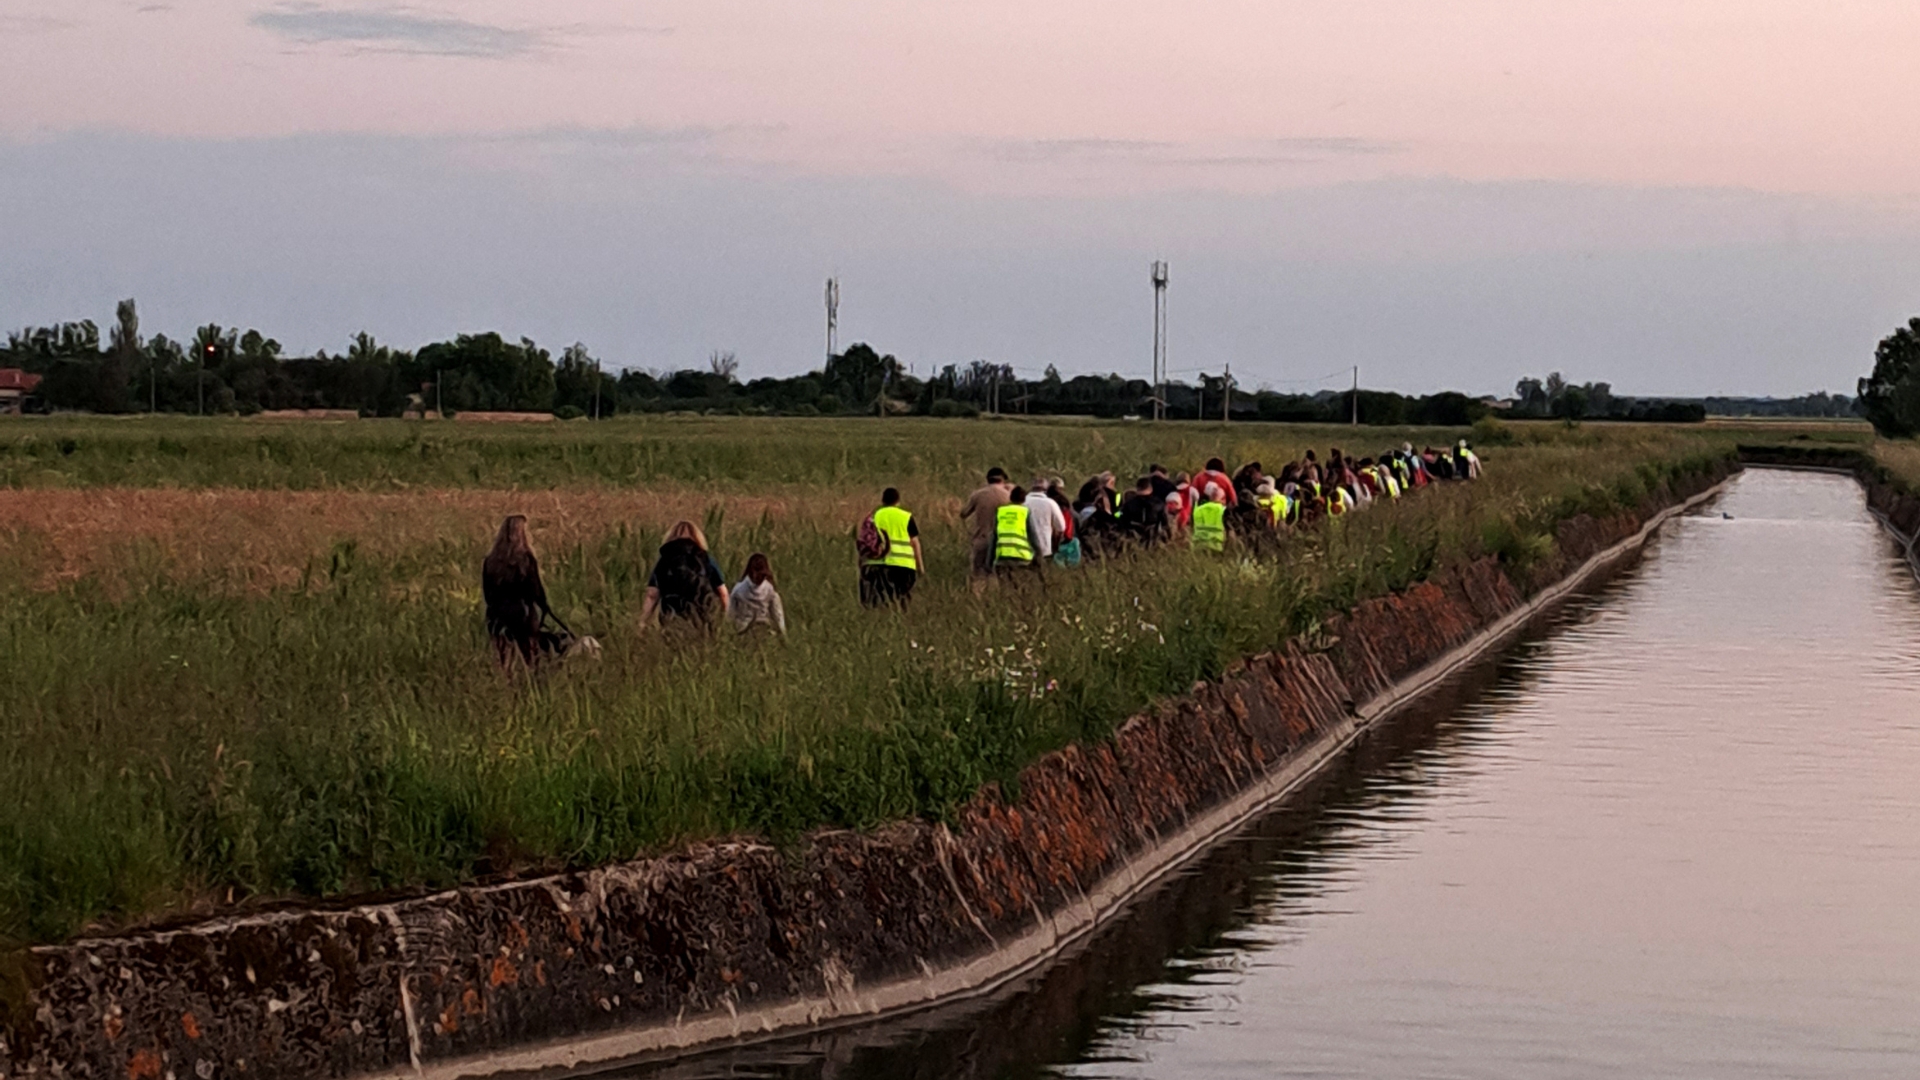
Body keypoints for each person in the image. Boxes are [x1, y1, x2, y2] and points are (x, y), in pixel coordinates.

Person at [483, 514, 578, 668]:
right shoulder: (525, 560)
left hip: (496, 616)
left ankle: (506, 683)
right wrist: (545, 606)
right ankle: (530, 682)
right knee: (529, 657)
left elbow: (487, 594)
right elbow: (535, 590)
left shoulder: (490, 561)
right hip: (521, 615)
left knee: (504, 658)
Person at [640, 520, 728, 630]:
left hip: (672, 617)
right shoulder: (705, 559)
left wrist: (643, 622)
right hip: (702, 618)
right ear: (697, 538)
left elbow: (652, 594)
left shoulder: (665, 560)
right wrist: (725, 619)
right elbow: (723, 593)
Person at [860, 487, 924, 607]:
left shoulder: (874, 516)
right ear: (898, 501)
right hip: (904, 566)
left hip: (878, 564)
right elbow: (915, 543)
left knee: (879, 602)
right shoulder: (906, 516)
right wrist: (920, 567)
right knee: (902, 602)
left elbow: (865, 540)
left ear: (882, 501)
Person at [960, 467, 1014, 586]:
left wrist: (970, 532)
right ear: (1003, 480)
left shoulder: (978, 494)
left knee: (979, 575)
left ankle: (977, 601)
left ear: (987, 480)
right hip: (1003, 541)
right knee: (1003, 576)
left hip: (982, 538)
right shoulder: (1008, 495)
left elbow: (963, 514)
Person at [730, 552, 786, 634]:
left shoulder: (770, 591)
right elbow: (730, 615)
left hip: (764, 630)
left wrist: (783, 634)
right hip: (744, 632)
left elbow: (778, 616)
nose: (760, 578)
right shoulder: (739, 590)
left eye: (762, 575)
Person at [1025, 476, 1068, 564]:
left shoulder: (1023, 502)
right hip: (1045, 547)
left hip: (1024, 548)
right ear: (1046, 489)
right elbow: (1061, 527)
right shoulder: (1051, 503)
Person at [994, 486, 1036, 572]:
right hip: (1021, 556)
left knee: (1004, 584)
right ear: (1024, 500)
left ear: (1010, 498)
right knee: (1022, 584)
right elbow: (1032, 534)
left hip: (1002, 555)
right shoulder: (1025, 511)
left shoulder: (1001, 511)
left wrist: (989, 560)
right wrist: (1038, 554)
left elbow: (994, 536)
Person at [1119, 475, 1167, 546]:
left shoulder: (1128, 504)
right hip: (1154, 540)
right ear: (1150, 488)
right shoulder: (1159, 504)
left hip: (1133, 541)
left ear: (1137, 488)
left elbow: (1121, 520)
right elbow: (1165, 523)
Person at [1191, 483, 1229, 552]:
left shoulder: (1198, 509)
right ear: (1222, 499)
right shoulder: (1224, 511)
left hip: (1198, 546)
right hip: (1216, 546)